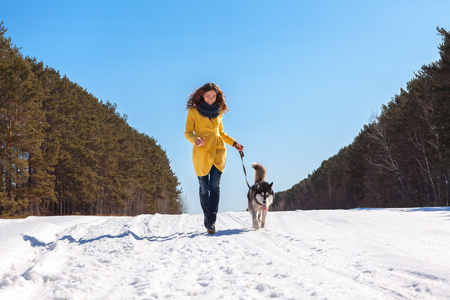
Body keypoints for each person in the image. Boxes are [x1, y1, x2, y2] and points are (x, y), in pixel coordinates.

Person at [185, 83, 243, 234]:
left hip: (218, 152)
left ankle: (211, 222)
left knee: (214, 187)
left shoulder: (219, 112)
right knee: (204, 189)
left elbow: (221, 133)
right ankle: (207, 216)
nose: (211, 99)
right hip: (202, 154)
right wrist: (195, 140)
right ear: (202, 96)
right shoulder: (193, 111)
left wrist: (234, 143)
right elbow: (187, 132)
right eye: (208, 96)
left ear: (217, 96)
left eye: (214, 96)